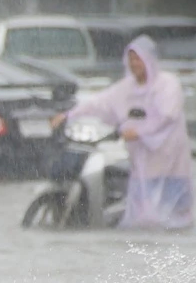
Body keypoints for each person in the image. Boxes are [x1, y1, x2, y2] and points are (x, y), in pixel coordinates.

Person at [51, 35, 193, 230]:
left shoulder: (168, 84)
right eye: (131, 59)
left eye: (139, 58)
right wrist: (68, 115)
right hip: (141, 163)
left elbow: (167, 116)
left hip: (170, 161)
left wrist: (141, 132)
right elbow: (99, 102)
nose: (135, 63)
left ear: (150, 60)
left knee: (175, 220)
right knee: (141, 220)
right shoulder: (126, 88)